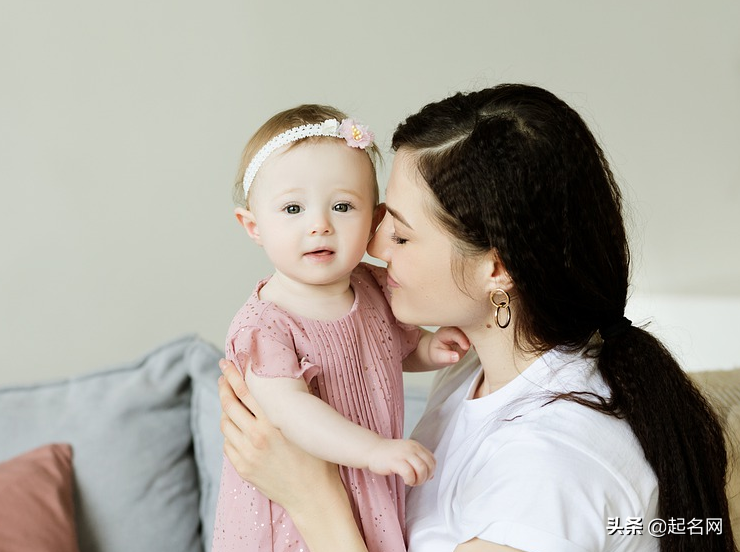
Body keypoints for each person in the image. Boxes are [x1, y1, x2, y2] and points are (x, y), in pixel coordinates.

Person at [216, 85, 736, 552]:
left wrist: (312, 499)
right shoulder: (477, 369)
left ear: (496, 267)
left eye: (398, 233)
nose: (371, 246)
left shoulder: (546, 477)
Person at [212, 104, 469, 552]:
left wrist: (429, 348)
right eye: (293, 208)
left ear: (374, 220)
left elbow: (391, 349)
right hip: (295, 502)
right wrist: (373, 450)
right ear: (253, 226)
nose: (319, 225)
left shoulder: (372, 287)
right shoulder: (264, 326)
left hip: (368, 484)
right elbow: (290, 413)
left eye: (342, 206)